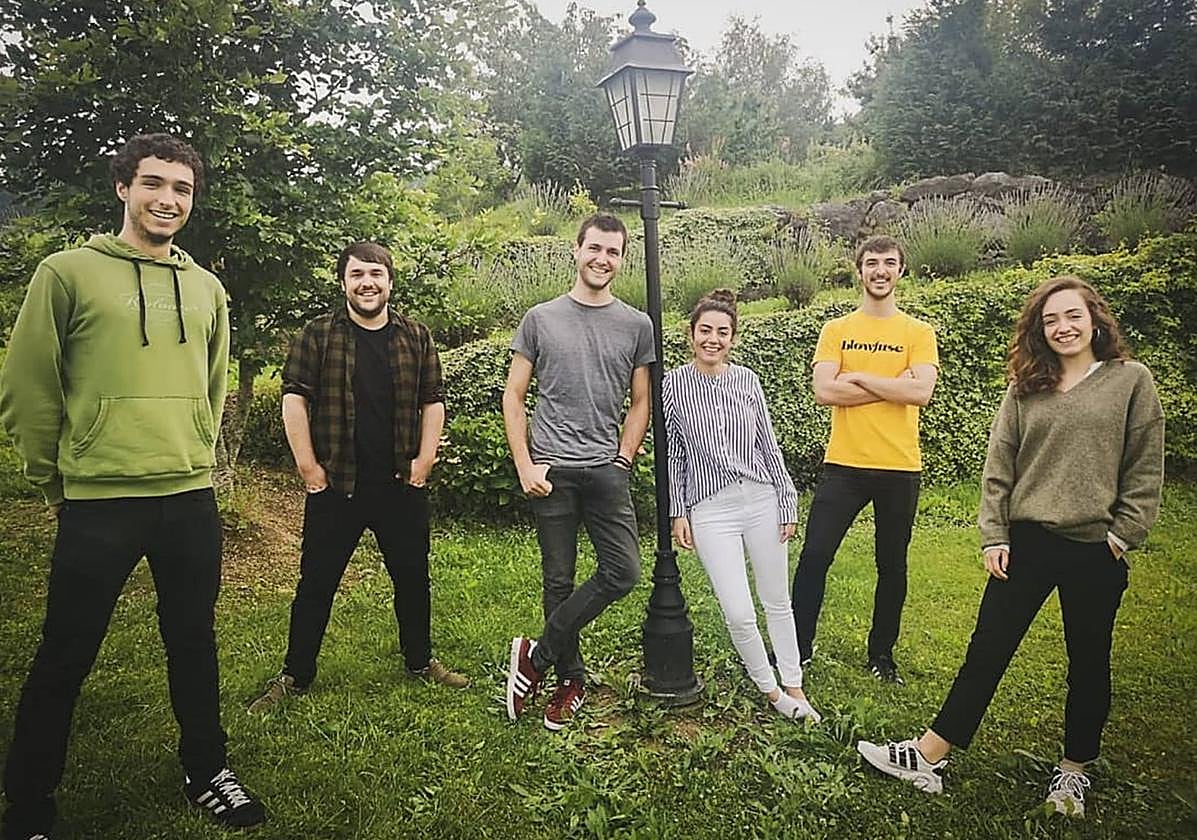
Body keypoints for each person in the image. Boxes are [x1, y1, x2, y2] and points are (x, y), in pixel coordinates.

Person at [0, 133, 266, 839]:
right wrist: (53, 480)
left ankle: (208, 771)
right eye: (153, 183)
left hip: (187, 497)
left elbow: (212, 386)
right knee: (65, 652)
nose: (167, 199)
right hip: (99, 499)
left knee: (193, 640)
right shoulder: (67, 273)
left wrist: (197, 452)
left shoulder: (206, 288)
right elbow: (27, 386)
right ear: (123, 187)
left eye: (182, 189)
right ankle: (29, 806)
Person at [857, 276, 1164, 818]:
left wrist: (1121, 537)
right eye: (1051, 320)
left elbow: (1145, 467)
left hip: (1096, 549)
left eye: (1072, 315)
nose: (1063, 327)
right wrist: (995, 535)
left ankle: (1073, 772)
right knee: (987, 651)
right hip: (1027, 543)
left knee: (1089, 661)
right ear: (1039, 331)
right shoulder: (1027, 386)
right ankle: (929, 755)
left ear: (1095, 319)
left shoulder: (1130, 381)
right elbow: (999, 468)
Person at [248, 241, 467, 713]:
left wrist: (425, 460)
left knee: (412, 578)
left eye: (375, 274)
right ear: (343, 282)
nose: (367, 283)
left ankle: (420, 661)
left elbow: (433, 400)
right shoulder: (318, 335)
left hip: (400, 484)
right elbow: (294, 398)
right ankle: (295, 674)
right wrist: (309, 468)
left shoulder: (416, 336)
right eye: (357, 275)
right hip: (337, 485)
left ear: (390, 281)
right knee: (316, 583)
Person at [502, 214, 654, 731]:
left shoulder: (636, 325)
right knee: (559, 580)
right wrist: (524, 464)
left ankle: (536, 657)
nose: (602, 259)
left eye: (613, 252)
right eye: (595, 248)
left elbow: (640, 401)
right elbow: (514, 395)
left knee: (623, 571)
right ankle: (570, 681)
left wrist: (624, 457)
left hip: (606, 469)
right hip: (551, 469)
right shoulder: (540, 319)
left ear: (622, 259)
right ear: (577, 250)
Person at [663, 289, 820, 722]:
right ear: (691, 334)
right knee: (738, 611)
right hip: (710, 508)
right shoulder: (672, 384)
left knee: (777, 600)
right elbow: (673, 453)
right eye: (705, 331)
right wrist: (678, 510)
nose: (713, 339)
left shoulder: (747, 380)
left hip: (761, 498)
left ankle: (794, 683)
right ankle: (771, 690)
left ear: (733, 338)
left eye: (722, 332)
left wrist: (786, 498)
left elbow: (767, 443)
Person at [791, 235, 939, 684]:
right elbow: (824, 391)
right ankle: (797, 648)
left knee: (892, 566)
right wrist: (893, 384)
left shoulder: (918, 332)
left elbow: (922, 392)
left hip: (900, 467)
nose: (880, 271)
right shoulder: (836, 330)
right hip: (844, 465)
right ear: (859, 271)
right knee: (815, 557)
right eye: (872, 263)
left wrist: (856, 377)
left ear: (901, 270)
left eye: (889, 263)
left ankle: (881, 656)